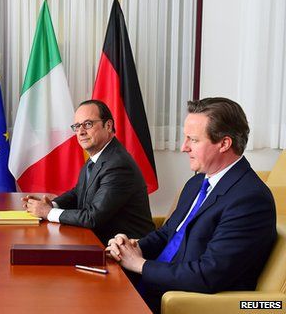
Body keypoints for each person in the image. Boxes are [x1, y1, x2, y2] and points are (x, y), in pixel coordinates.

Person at [106, 97, 277, 313]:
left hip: (182, 300)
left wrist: (139, 264)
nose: (183, 147)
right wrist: (133, 248)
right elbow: (169, 233)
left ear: (224, 144)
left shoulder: (250, 200)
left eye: (193, 140)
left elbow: (208, 274)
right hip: (153, 284)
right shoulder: (198, 181)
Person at [23, 99, 154, 243]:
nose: (81, 132)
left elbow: (92, 218)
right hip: (97, 241)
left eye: (88, 124)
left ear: (108, 125)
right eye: (77, 126)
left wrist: (48, 213)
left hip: (126, 249)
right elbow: (78, 193)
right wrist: (51, 205)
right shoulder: (98, 156)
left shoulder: (118, 165)